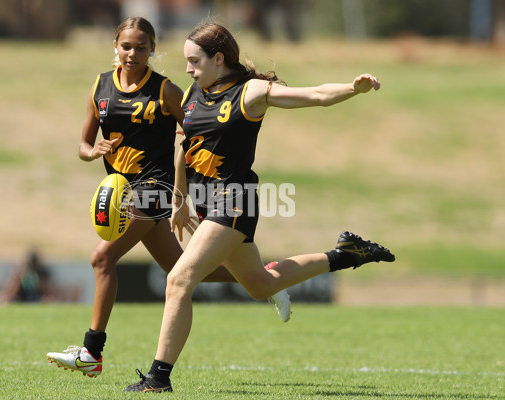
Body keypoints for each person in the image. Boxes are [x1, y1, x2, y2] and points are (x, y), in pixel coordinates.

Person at [124, 22, 395, 392]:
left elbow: (314, 94)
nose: (187, 68)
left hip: (234, 200)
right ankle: (345, 254)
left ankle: (158, 378)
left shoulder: (249, 92)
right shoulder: (193, 92)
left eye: (194, 60)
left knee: (178, 280)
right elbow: (182, 149)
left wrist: (353, 87)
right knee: (259, 285)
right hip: (205, 203)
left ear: (218, 58)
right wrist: (180, 199)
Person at [45, 17, 290, 378]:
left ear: (152, 49)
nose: (133, 53)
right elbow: (82, 144)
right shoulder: (100, 87)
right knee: (184, 273)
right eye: (126, 46)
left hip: (154, 191)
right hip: (122, 191)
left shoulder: (166, 91)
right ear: (115, 45)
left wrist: (184, 194)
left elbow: (199, 130)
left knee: (102, 258)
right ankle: (269, 280)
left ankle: (91, 352)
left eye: (141, 47)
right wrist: (93, 150)